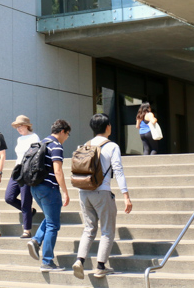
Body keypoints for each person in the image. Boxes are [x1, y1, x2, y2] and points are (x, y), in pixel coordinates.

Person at [72, 113, 132, 279]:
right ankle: (100, 266)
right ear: (107, 127)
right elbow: (118, 171)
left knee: (89, 228)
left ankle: (80, 260)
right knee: (107, 230)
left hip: (84, 192)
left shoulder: (85, 145)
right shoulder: (112, 146)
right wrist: (126, 195)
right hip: (102, 192)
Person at [27, 119, 71, 272]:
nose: (66, 138)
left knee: (50, 218)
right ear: (62, 131)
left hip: (35, 188)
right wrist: (65, 192)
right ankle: (47, 261)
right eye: (67, 134)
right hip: (49, 189)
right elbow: (58, 171)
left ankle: (36, 240)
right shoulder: (56, 146)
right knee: (53, 224)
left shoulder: (41, 143)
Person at [4, 114, 40, 238]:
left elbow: (37, 156)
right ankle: (30, 212)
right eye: (16, 127)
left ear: (26, 126)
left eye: (20, 126)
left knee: (26, 200)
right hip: (17, 169)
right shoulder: (20, 139)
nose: (18, 129)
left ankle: (27, 230)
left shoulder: (34, 137)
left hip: (28, 171)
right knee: (9, 197)